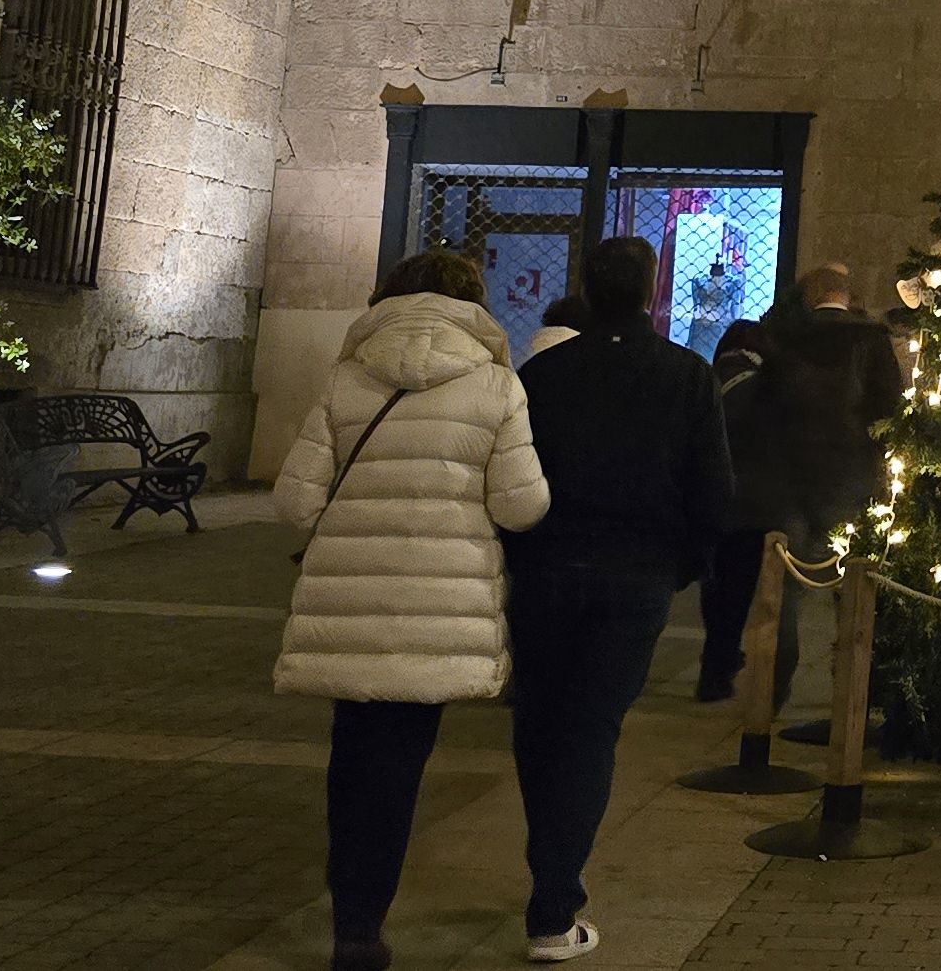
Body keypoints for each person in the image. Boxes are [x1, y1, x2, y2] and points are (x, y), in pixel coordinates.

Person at [274, 248, 549, 971]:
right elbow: (521, 508)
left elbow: (295, 501)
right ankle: (364, 925)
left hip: (350, 601)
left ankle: (351, 914)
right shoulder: (496, 387)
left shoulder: (345, 379)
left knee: (353, 756)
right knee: (399, 764)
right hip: (440, 606)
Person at [503, 237, 732, 961]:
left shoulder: (543, 373)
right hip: (634, 574)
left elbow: (510, 474)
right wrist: (682, 566)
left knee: (542, 720)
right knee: (590, 727)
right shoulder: (685, 375)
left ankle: (551, 870)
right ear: (650, 291)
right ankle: (553, 895)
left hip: (546, 567)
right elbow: (712, 489)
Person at [697, 260, 903, 703]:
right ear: (847, 297)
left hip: (787, 485)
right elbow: (889, 412)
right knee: (853, 598)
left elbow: (763, 409)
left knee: (783, 596)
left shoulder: (780, 339)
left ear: (808, 297)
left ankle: (770, 697)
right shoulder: (870, 341)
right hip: (850, 484)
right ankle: (854, 699)